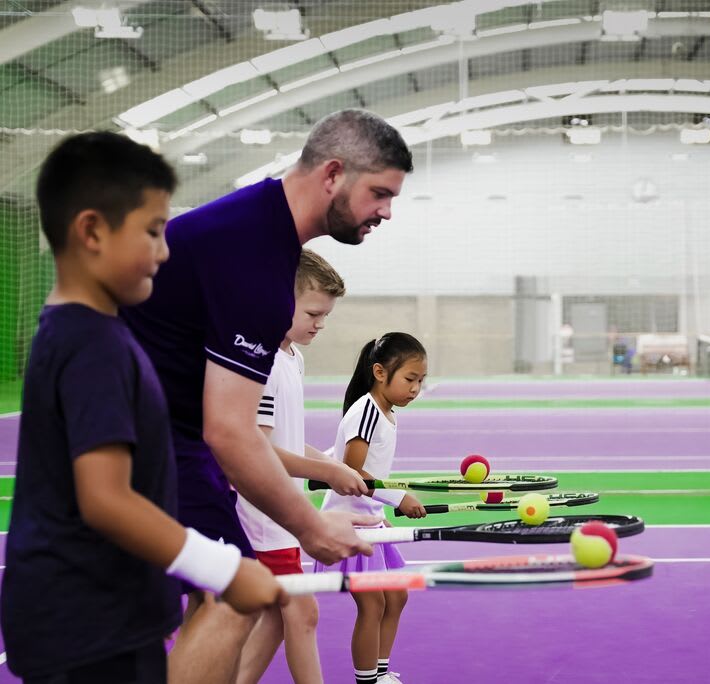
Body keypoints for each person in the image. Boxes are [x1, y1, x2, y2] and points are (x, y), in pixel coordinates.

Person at [120, 109, 414, 684]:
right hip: (149, 442)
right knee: (234, 595)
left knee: (224, 599)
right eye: (379, 193)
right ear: (333, 174)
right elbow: (230, 429)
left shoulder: (262, 235)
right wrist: (311, 525)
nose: (386, 211)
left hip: (154, 437)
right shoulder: (256, 262)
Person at [0, 132, 286, 683]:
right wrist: (224, 568)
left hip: (95, 618)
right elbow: (105, 499)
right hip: (87, 628)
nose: (165, 250)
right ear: (92, 232)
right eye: (153, 232)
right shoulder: (91, 346)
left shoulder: (85, 334)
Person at [235, 249, 348, 684]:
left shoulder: (293, 357)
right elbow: (257, 450)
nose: (320, 324)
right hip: (264, 510)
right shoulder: (261, 361)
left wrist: (331, 463)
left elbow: (283, 436)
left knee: (278, 613)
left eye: (326, 315)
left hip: (282, 507)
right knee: (302, 609)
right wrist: (328, 473)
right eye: (313, 313)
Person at [316, 333, 429, 684]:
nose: (416, 389)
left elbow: (341, 460)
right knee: (373, 604)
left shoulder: (383, 411)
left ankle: (380, 674)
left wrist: (321, 465)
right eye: (410, 379)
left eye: (421, 381)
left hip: (372, 520)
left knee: (396, 598)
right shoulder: (367, 409)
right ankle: (367, 681)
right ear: (380, 372)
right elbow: (353, 471)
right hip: (353, 523)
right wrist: (399, 498)